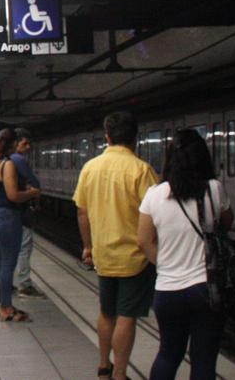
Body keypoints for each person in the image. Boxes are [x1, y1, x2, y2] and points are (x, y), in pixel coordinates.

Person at [138, 129, 233, 380]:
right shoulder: (214, 189)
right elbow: (227, 224)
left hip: (168, 290)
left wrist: (166, 263)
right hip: (206, 288)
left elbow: (144, 241)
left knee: (168, 354)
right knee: (204, 359)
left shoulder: (154, 195)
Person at [74, 111, 159, 380]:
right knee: (126, 316)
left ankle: (103, 366)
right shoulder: (142, 170)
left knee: (106, 312)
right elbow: (156, 214)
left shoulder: (90, 168)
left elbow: (82, 212)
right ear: (136, 138)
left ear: (107, 137)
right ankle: (120, 373)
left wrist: (88, 247)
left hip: (103, 255)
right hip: (135, 257)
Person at [0, 129, 41, 321]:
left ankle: (4, 304)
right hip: (7, 217)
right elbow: (13, 195)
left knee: (2, 262)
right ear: (13, 144)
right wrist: (32, 193)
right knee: (8, 264)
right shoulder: (7, 164)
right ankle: (6, 308)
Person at [12, 128, 47, 299]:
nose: (28, 147)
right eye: (24, 143)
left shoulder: (0, 159)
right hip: (20, 212)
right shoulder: (18, 159)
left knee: (11, 249)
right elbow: (33, 181)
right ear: (15, 143)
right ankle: (24, 284)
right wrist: (34, 190)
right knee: (24, 247)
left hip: (7, 213)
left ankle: (9, 283)